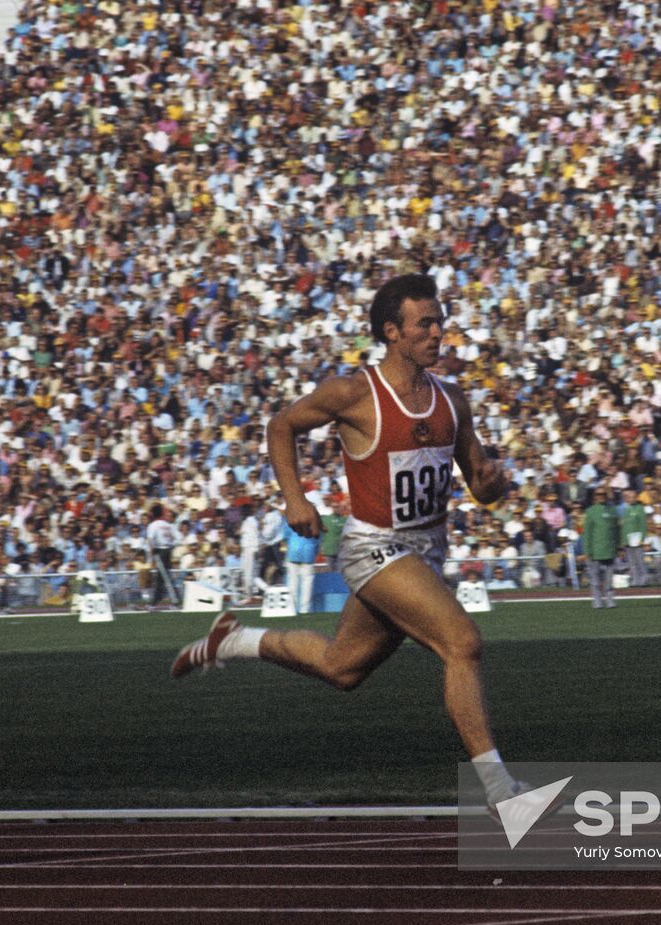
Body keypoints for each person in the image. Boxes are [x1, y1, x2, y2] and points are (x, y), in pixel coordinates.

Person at [171, 274, 530, 813]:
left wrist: (494, 484)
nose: (439, 332)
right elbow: (280, 426)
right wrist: (296, 500)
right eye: (425, 324)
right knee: (463, 642)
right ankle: (504, 793)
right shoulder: (355, 393)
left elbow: (481, 487)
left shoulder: (452, 401)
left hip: (425, 551)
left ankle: (233, 640)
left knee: (342, 669)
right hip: (374, 547)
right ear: (393, 332)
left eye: (440, 320)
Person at [581, 486, 619, 608]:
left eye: (603, 494)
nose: (601, 496)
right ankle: (597, 601)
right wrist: (587, 550)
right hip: (595, 550)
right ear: (595, 497)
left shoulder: (612, 510)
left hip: (610, 549)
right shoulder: (591, 511)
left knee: (609, 578)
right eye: (598, 494)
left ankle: (610, 600)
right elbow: (587, 533)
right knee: (595, 578)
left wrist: (618, 547)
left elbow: (616, 530)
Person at [283, 512, 319, 614]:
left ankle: (292, 609)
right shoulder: (315, 520)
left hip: (293, 551)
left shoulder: (290, 518)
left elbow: (285, 535)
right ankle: (305, 610)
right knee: (307, 583)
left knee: (292, 582)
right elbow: (318, 538)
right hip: (308, 552)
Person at [145, 503, 176, 607]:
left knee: (161, 577)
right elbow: (172, 540)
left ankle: (155, 603)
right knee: (166, 576)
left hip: (160, 551)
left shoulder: (153, 525)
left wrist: (152, 556)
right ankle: (170, 600)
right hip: (168, 551)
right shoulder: (167, 525)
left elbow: (150, 541)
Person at [620, 489, 650, 586]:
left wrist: (642, 539)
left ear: (636, 498)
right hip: (628, 540)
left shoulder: (640, 508)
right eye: (629, 497)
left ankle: (644, 578)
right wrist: (623, 540)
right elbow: (625, 526)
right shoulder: (627, 510)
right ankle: (635, 580)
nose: (631, 499)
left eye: (633, 497)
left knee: (639, 560)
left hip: (637, 539)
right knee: (632, 562)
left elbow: (643, 525)